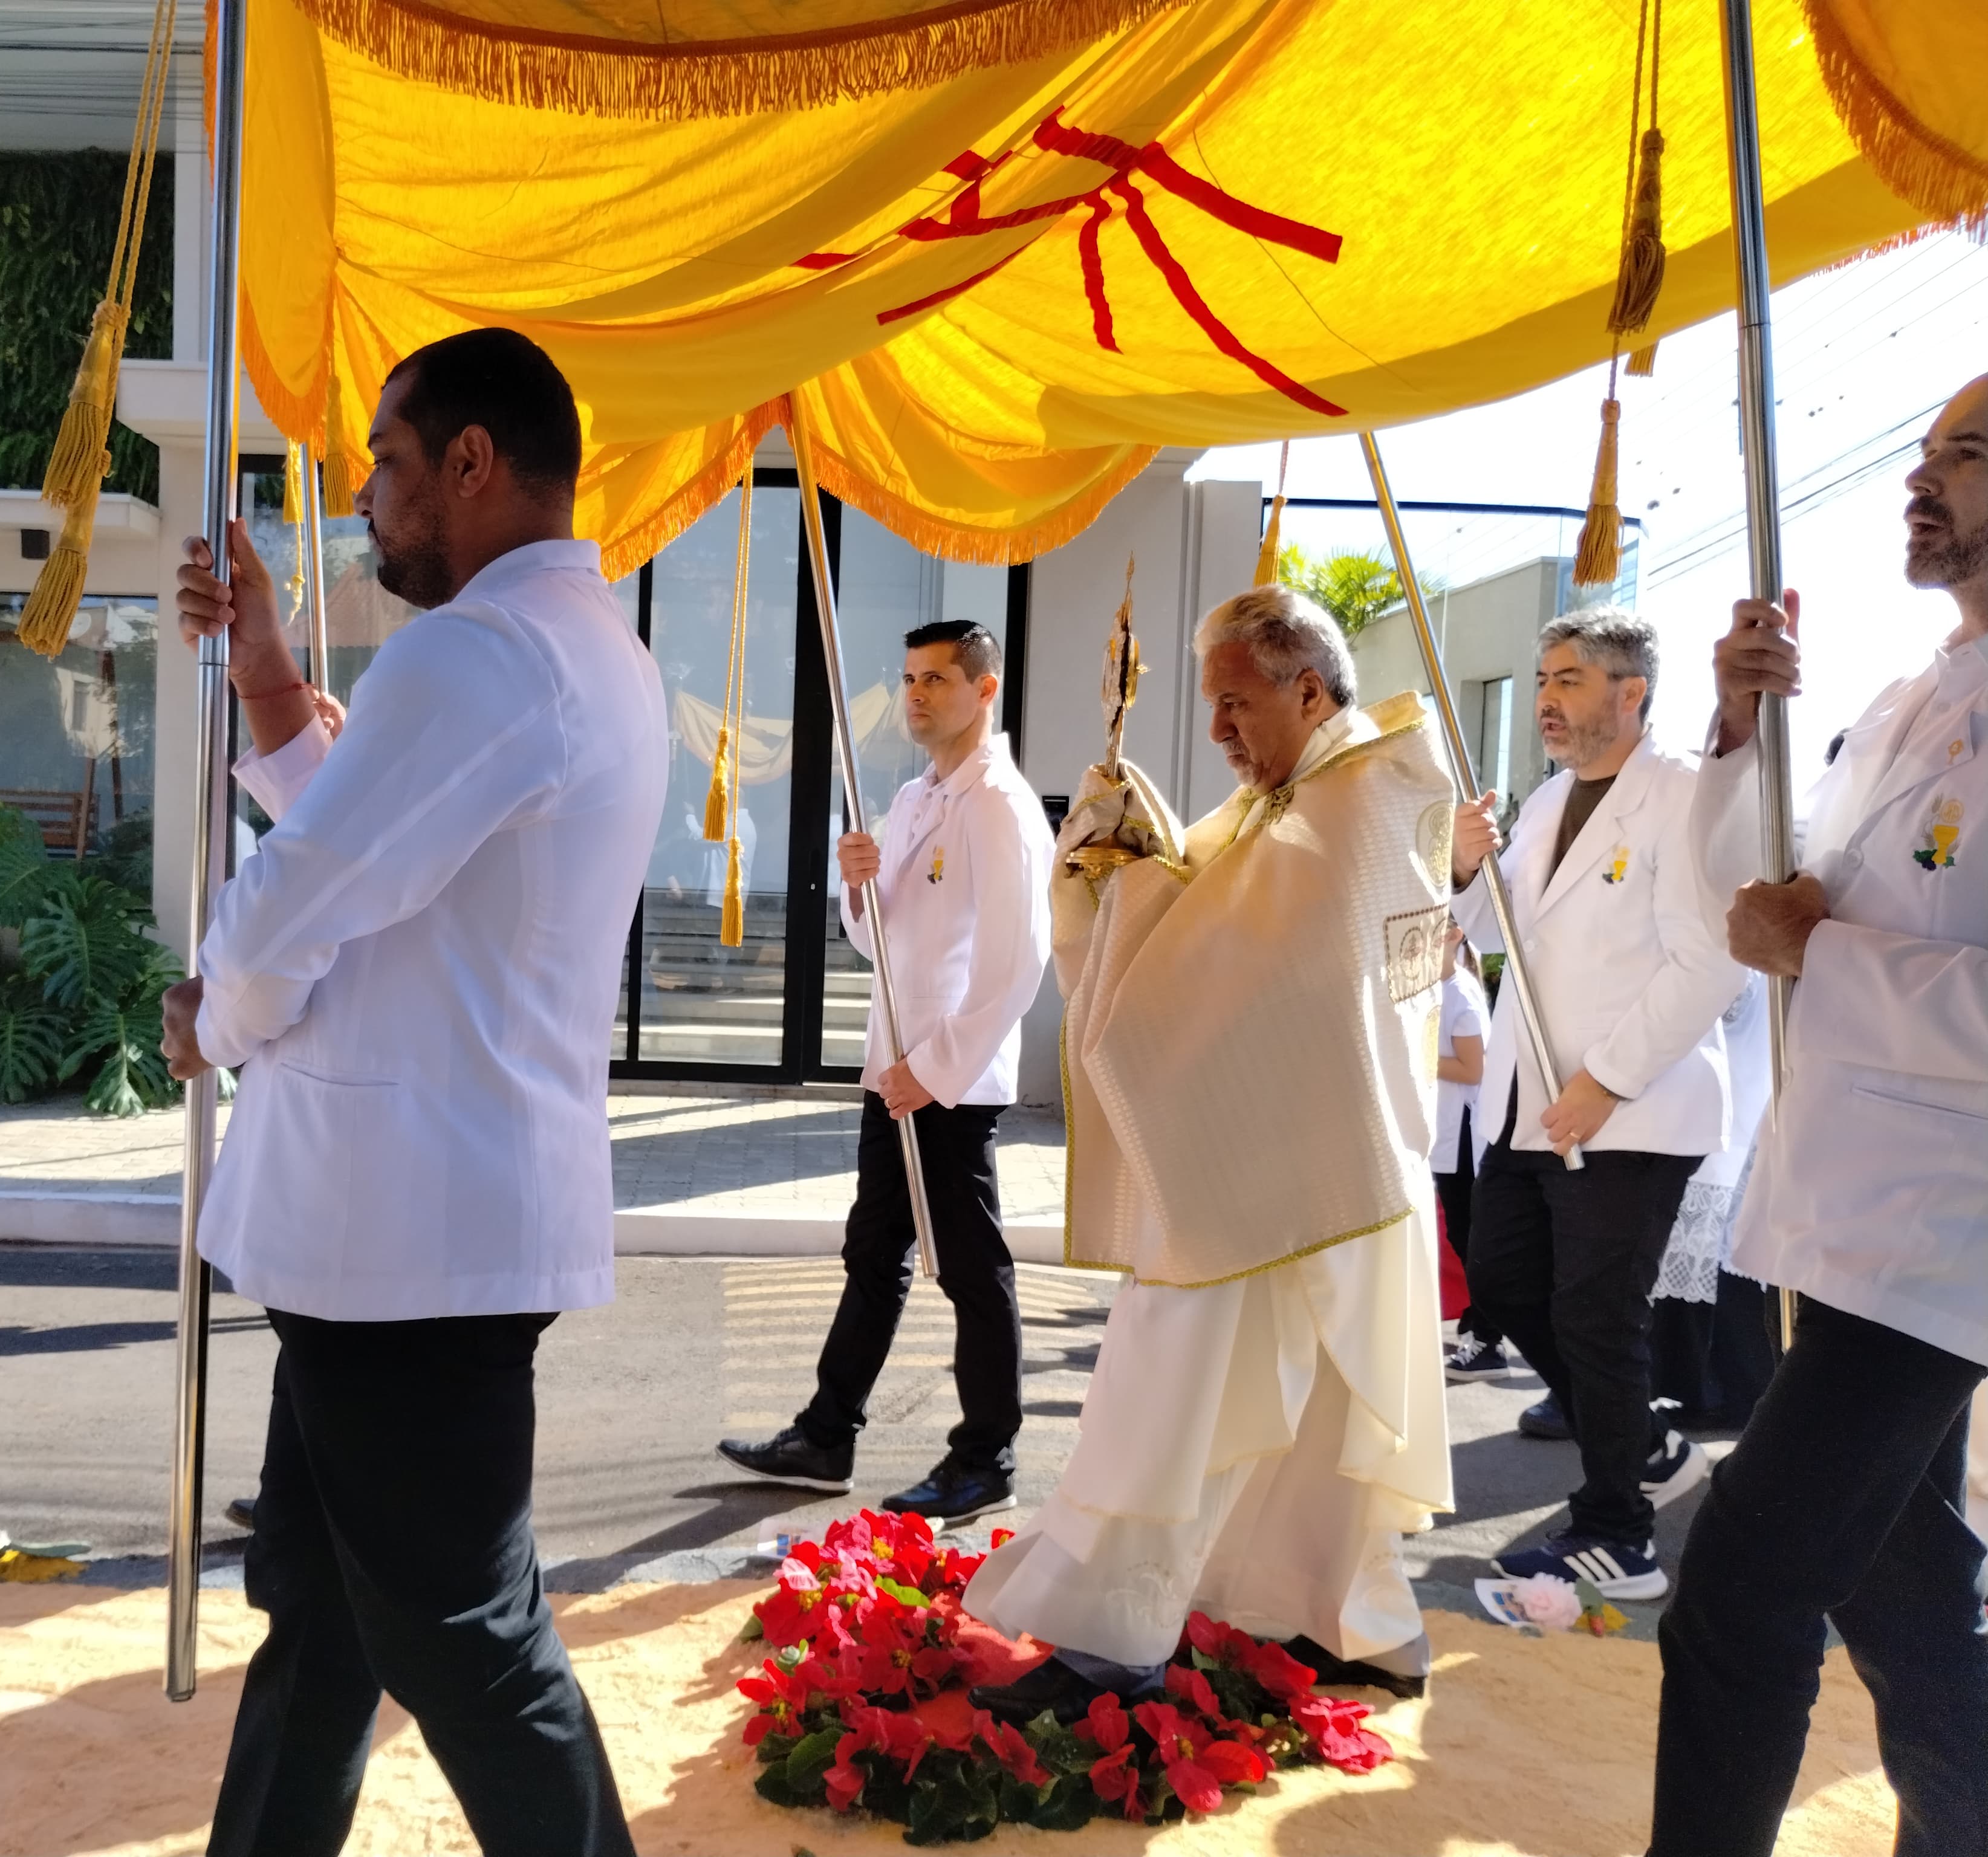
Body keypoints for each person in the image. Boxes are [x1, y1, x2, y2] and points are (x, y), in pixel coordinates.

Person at [158, 327, 664, 1857]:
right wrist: (267, 671)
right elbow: (380, 849)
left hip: (405, 1241)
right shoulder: (572, 643)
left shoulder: (483, 651)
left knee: (462, 1640)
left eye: (386, 460)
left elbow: (298, 902)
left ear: (471, 462)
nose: (369, 494)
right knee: (321, 1617)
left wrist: (212, 1019)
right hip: (402, 1231)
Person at [963, 585, 1455, 1720]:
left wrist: (1135, 884)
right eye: (1213, 705)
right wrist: (1120, 850)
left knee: (1171, 1396)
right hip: (1300, 1159)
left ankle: (1110, 1641)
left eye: (1237, 703)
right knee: (1311, 1418)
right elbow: (1207, 902)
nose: (1221, 729)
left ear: (1309, 690)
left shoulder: (1360, 798)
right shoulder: (1297, 796)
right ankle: (1345, 1624)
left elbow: (1239, 968)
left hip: (1275, 1169)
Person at [1651, 374, 1988, 1857]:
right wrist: (1738, 728)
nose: (1921, 480)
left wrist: (1822, 953)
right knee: (1907, 1594)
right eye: (1923, 453)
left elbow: (1816, 939)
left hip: (1943, 1233)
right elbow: (1761, 885)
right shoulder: (1909, 695)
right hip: (1842, 1211)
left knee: (1740, 1581)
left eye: (1963, 455)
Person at [716, 620, 1053, 1523]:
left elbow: (1016, 966)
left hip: (947, 1084)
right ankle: (827, 1435)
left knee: (971, 1268)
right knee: (874, 1254)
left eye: (937, 679)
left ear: (984, 690)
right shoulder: (911, 798)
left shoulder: (1000, 806)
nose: (916, 695)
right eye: (908, 678)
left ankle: (986, 1456)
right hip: (895, 1071)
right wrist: (859, 887)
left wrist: (934, 1070)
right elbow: (882, 946)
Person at [1450, 610, 1743, 1601]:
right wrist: (1464, 863)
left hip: (1631, 1112)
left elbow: (1712, 960)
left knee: (1597, 1318)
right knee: (1502, 1277)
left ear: (1633, 693)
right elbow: (1491, 929)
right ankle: (1644, 1447)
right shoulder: (1546, 801)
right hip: (1528, 1103)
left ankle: (1620, 1536)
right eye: (1542, 678)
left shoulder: (1683, 797)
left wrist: (1609, 1079)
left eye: (1569, 679)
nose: (1545, 698)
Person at [1645, 979, 1776, 1430]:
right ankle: (1706, 1391)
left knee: (1721, 1276)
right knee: (1705, 1274)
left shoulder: (1742, 965)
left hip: (1728, 1121)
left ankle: (1723, 1395)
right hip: (1724, 1119)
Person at [1433, 919, 1506, 1380]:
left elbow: (1472, 1070)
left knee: (1470, 1237)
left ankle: (1488, 1340)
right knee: (1462, 1236)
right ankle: (1480, 1324)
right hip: (1446, 1132)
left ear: (1455, 935)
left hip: (1463, 1133)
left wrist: (1414, 1053)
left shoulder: (1460, 993)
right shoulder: (1439, 991)